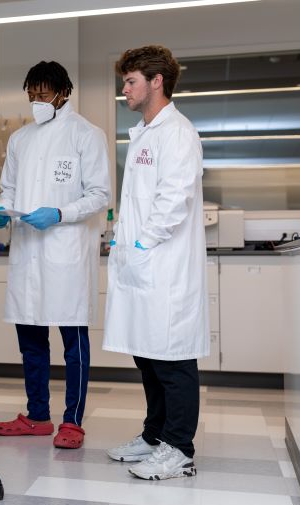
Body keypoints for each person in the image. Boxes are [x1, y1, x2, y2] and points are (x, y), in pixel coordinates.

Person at [0, 61, 110, 449]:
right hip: (27, 250)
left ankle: (72, 422)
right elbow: (7, 187)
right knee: (31, 338)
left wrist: (59, 213)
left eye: (43, 95)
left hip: (66, 253)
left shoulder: (86, 135)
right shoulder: (20, 139)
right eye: (31, 95)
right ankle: (37, 415)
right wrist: (1, 206)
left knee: (73, 339)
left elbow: (99, 195)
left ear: (63, 93)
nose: (36, 102)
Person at [102, 45, 208, 480]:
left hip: (165, 266)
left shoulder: (177, 132)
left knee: (173, 359)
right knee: (147, 356)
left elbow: (174, 200)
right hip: (142, 264)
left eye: (130, 81)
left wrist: (142, 245)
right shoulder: (144, 132)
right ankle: (154, 436)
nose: (124, 89)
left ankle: (179, 448)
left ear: (156, 81)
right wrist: (129, 247)